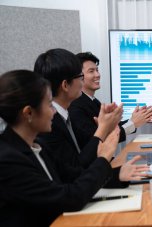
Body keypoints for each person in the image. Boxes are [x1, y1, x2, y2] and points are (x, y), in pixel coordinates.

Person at [0, 70, 149, 226]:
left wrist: (118, 175)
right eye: (49, 105)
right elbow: (69, 198)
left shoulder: (38, 146)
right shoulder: (8, 160)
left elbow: (74, 176)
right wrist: (104, 158)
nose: (53, 112)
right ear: (28, 112)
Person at [33, 48, 130, 182]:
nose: (83, 81)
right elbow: (73, 172)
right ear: (65, 85)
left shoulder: (63, 114)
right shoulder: (49, 124)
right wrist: (103, 130)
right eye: (80, 76)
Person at [69, 52, 152, 149]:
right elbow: (95, 140)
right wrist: (133, 123)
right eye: (91, 71)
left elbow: (110, 128)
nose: (97, 75)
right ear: (79, 76)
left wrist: (134, 120)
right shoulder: (76, 106)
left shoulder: (92, 100)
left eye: (97, 70)